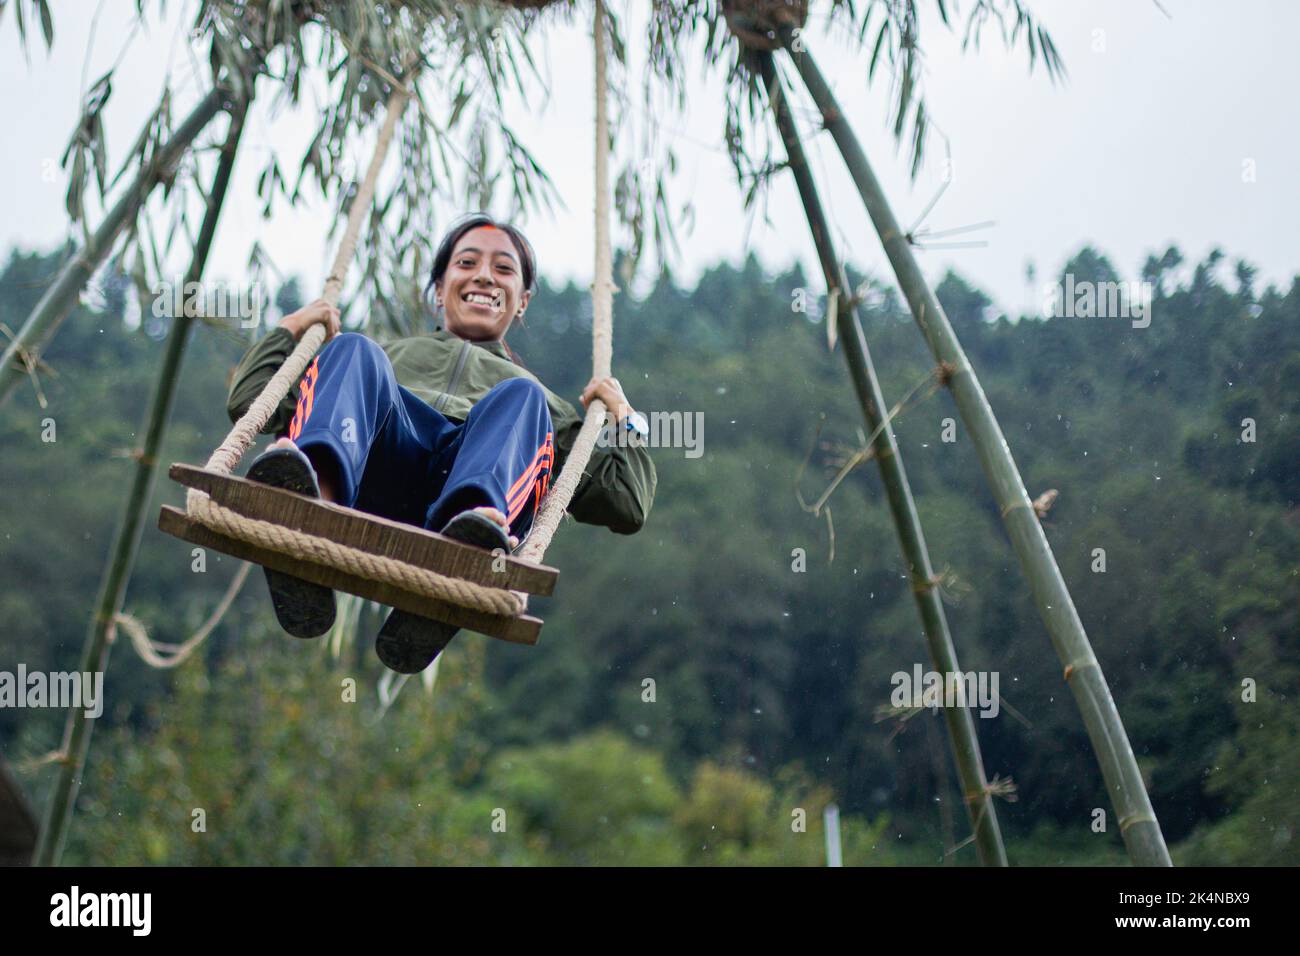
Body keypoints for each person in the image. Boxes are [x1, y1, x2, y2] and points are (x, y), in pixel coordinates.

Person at [226, 212, 656, 672]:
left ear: (523, 301)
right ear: (439, 289)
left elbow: (625, 503)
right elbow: (254, 404)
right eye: (466, 262)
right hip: (375, 471)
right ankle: (313, 505)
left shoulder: (538, 409)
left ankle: (465, 538)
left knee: (522, 394)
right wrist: (291, 328)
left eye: (504, 269)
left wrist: (624, 419)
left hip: (466, 496)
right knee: (353, 347)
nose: (484, 276)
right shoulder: (384, 362)